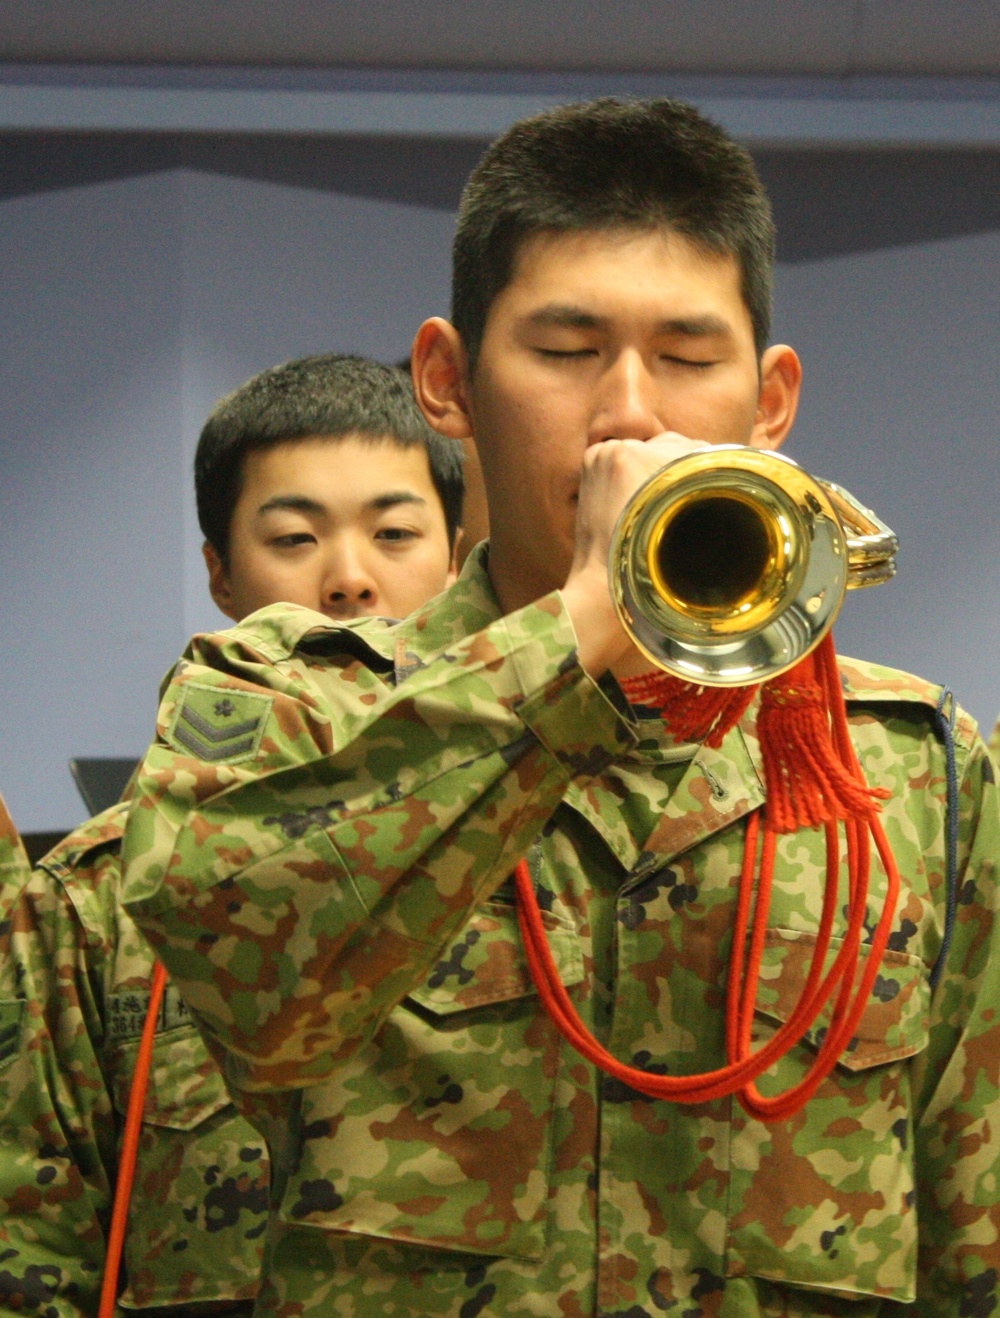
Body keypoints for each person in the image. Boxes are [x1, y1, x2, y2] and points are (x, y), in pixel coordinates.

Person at [122, 101, 1000, 1318]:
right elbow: (244, 979)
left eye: (690, 358)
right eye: (565, 348)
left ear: (771, 403)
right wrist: (586, 625)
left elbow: (975, 1231)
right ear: (447, 382)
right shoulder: (296, 701)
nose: (631, 412)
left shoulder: (912, 768)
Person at [0, 354, 463, 1318]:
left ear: (457, 558)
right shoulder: (99, 901)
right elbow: (33, 1242)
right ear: (219, 572)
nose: (349, 580)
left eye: (395, 534)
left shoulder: (542, 838)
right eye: (293, 538)